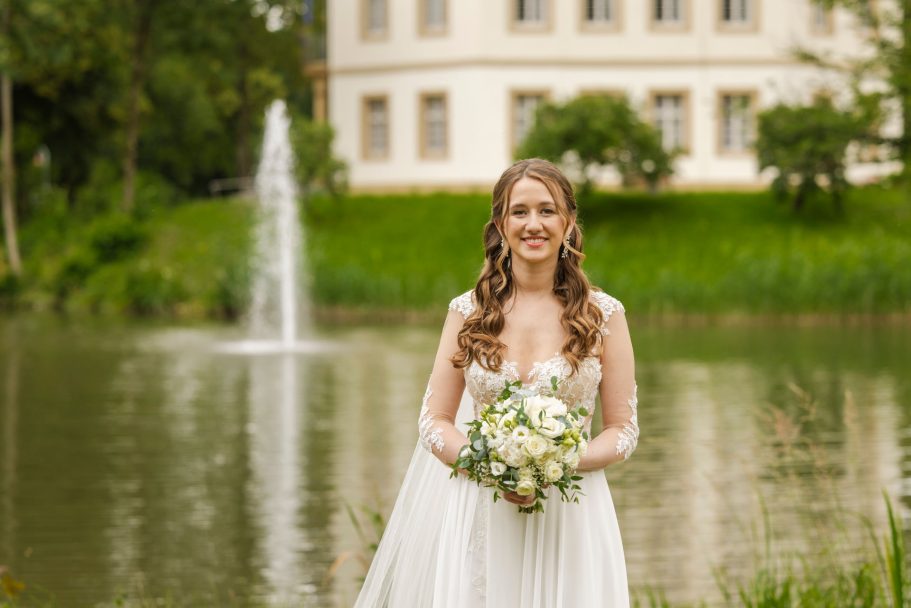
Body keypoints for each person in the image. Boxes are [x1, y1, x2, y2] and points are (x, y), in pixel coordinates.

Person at [354, 158, 638, 607]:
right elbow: (434, 421)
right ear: (500, 225)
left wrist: (560, 460)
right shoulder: (468, 312)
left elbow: (623, 430)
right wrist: (492, 466)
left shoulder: (603, 316)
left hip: (572, 511)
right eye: (519, 211)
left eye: (547, 210)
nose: (534, 224)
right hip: (481, 508)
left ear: (568, 222)